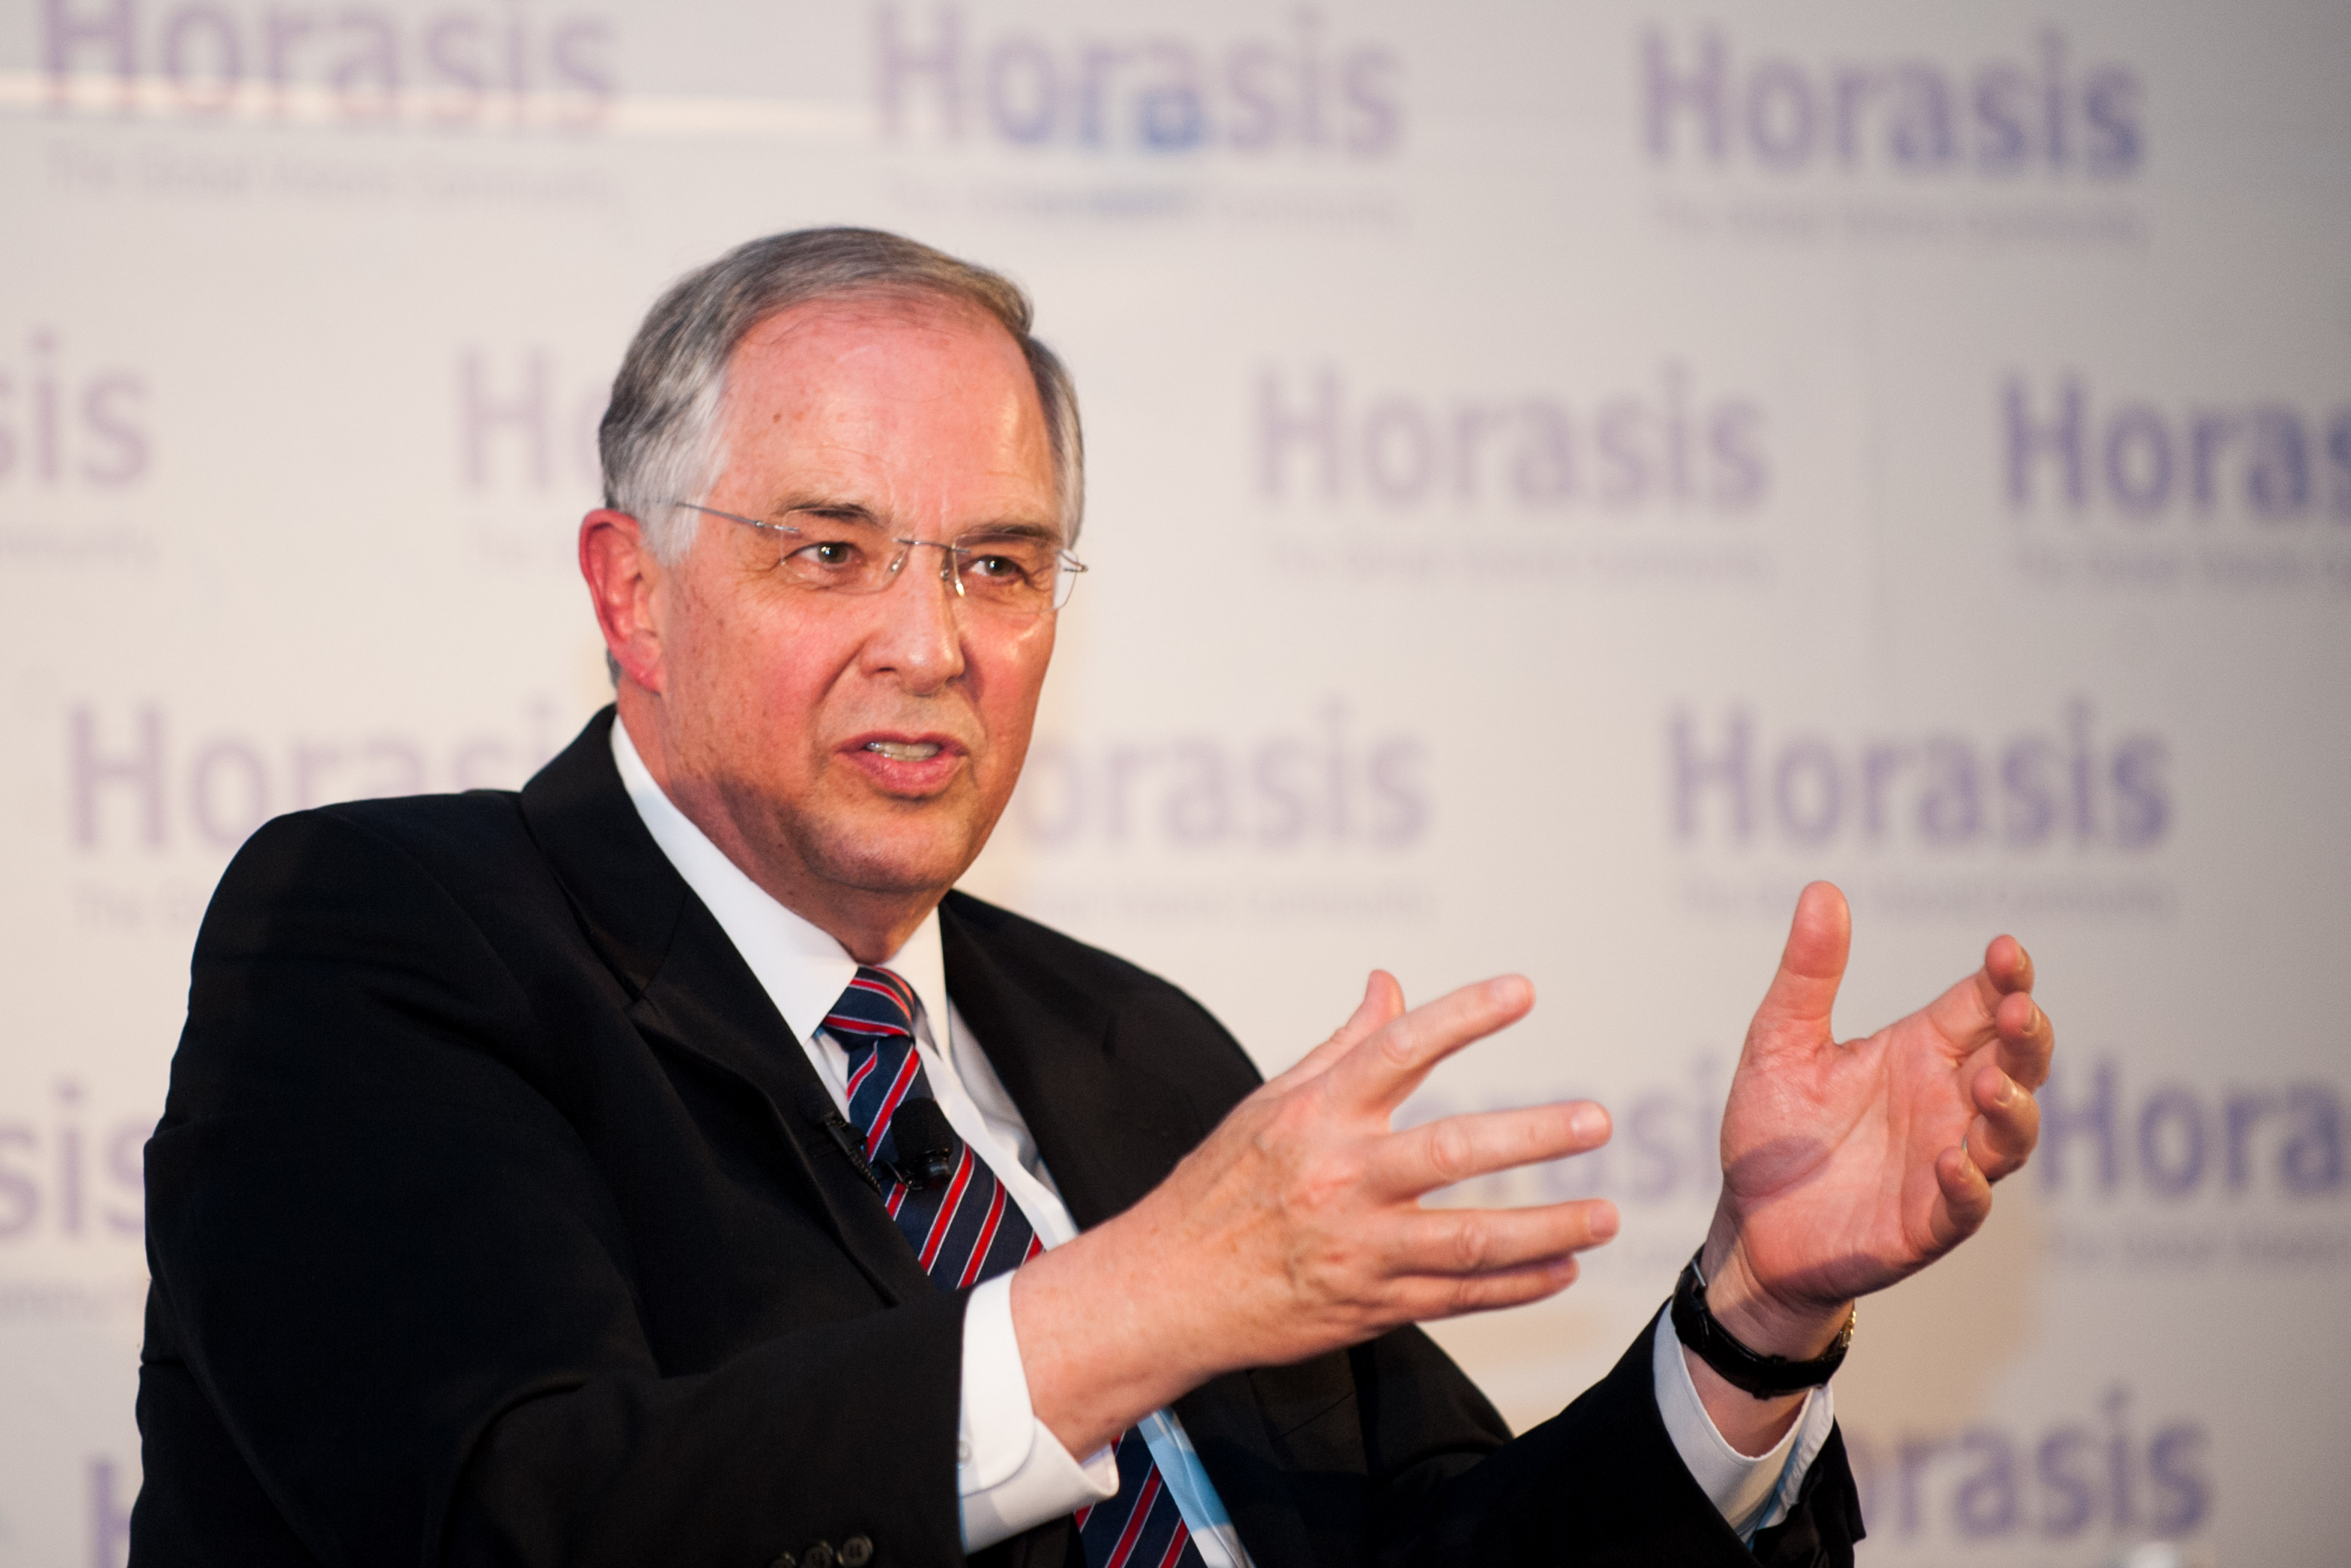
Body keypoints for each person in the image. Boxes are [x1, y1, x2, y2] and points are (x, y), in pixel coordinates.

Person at [133, 229, 2054, 1568]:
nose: (930, 643)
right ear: (631, 591)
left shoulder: (1125, 1044)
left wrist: (1753, 1315)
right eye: (831, 551)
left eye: (999, 565)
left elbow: (1445, 1551)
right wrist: (1137, 1299)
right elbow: (517, 1519)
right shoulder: (386, 935)